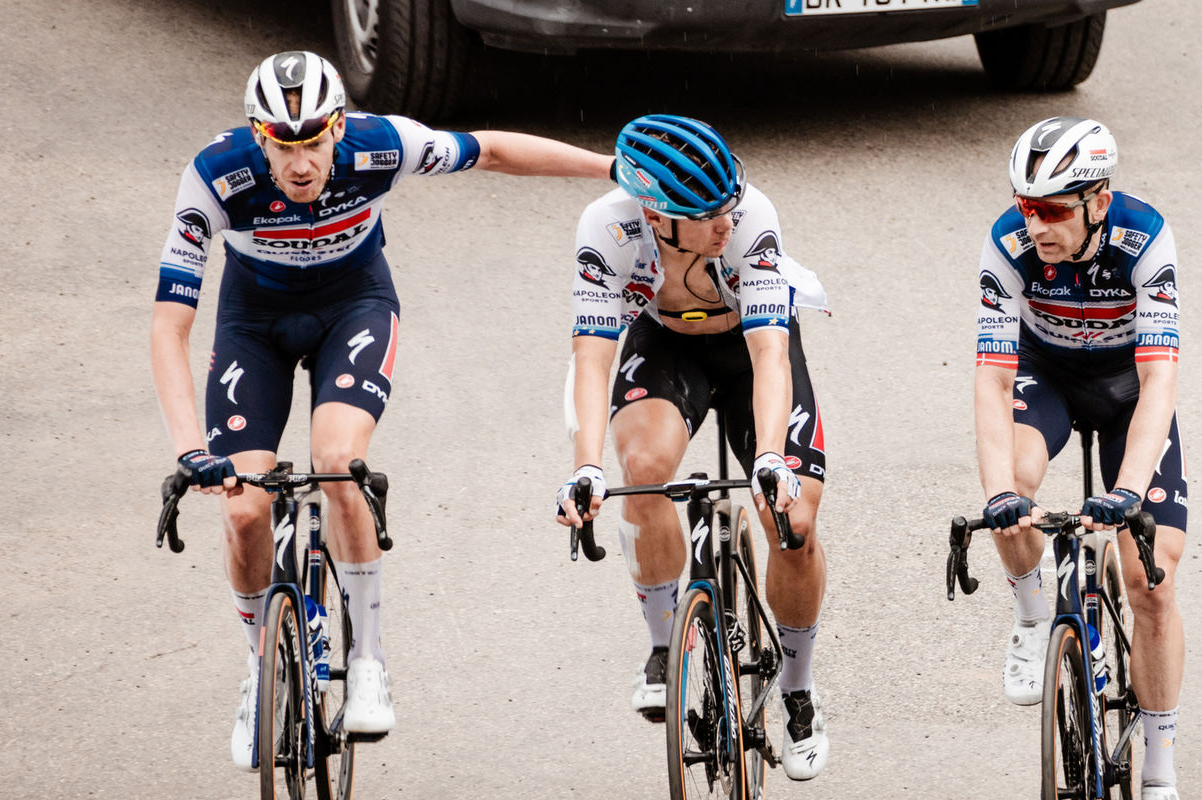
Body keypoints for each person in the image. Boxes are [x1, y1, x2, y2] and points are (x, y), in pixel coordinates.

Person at [150, 50, 612, 771]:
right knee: (242, 509)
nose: (300, 162)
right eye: (282, 143)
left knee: (338, 463)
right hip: (252, 324)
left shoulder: (382, 145)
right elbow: (169, 325)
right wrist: (189, 450)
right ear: (258, 137)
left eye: (313, 141)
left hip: (353, 307)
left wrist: (612, 169)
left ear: (338, 128)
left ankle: (367, 658)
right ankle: (256, 671)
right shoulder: (214, 175)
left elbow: (488, 150)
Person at [554, 114, 831, 780]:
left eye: (729, 205)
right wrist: (585, 467)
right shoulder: (607, 229)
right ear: (656, 214)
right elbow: (592, 359)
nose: (726, 225)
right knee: (642, 471)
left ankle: (798, 686)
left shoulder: (751, 217)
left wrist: (770, 458)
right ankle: (662, 644)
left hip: (749, 349)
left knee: (789, 520)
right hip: (667, 344)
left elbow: (770, 354)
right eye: (708, 215)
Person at [974, 116, 1187, 800]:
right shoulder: (1007, 245)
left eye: (1053, 210)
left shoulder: (1145, 239)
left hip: (1130, 391)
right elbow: (992, 379)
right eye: (1024, 205)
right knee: (1015, 488)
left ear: (1097, 201)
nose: (1035, 225)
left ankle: (1158, 768)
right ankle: (1036, 619)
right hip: (1049, 379)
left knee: (1149, 582)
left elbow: (1160, 379)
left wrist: (1126, 494)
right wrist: (997, 494)